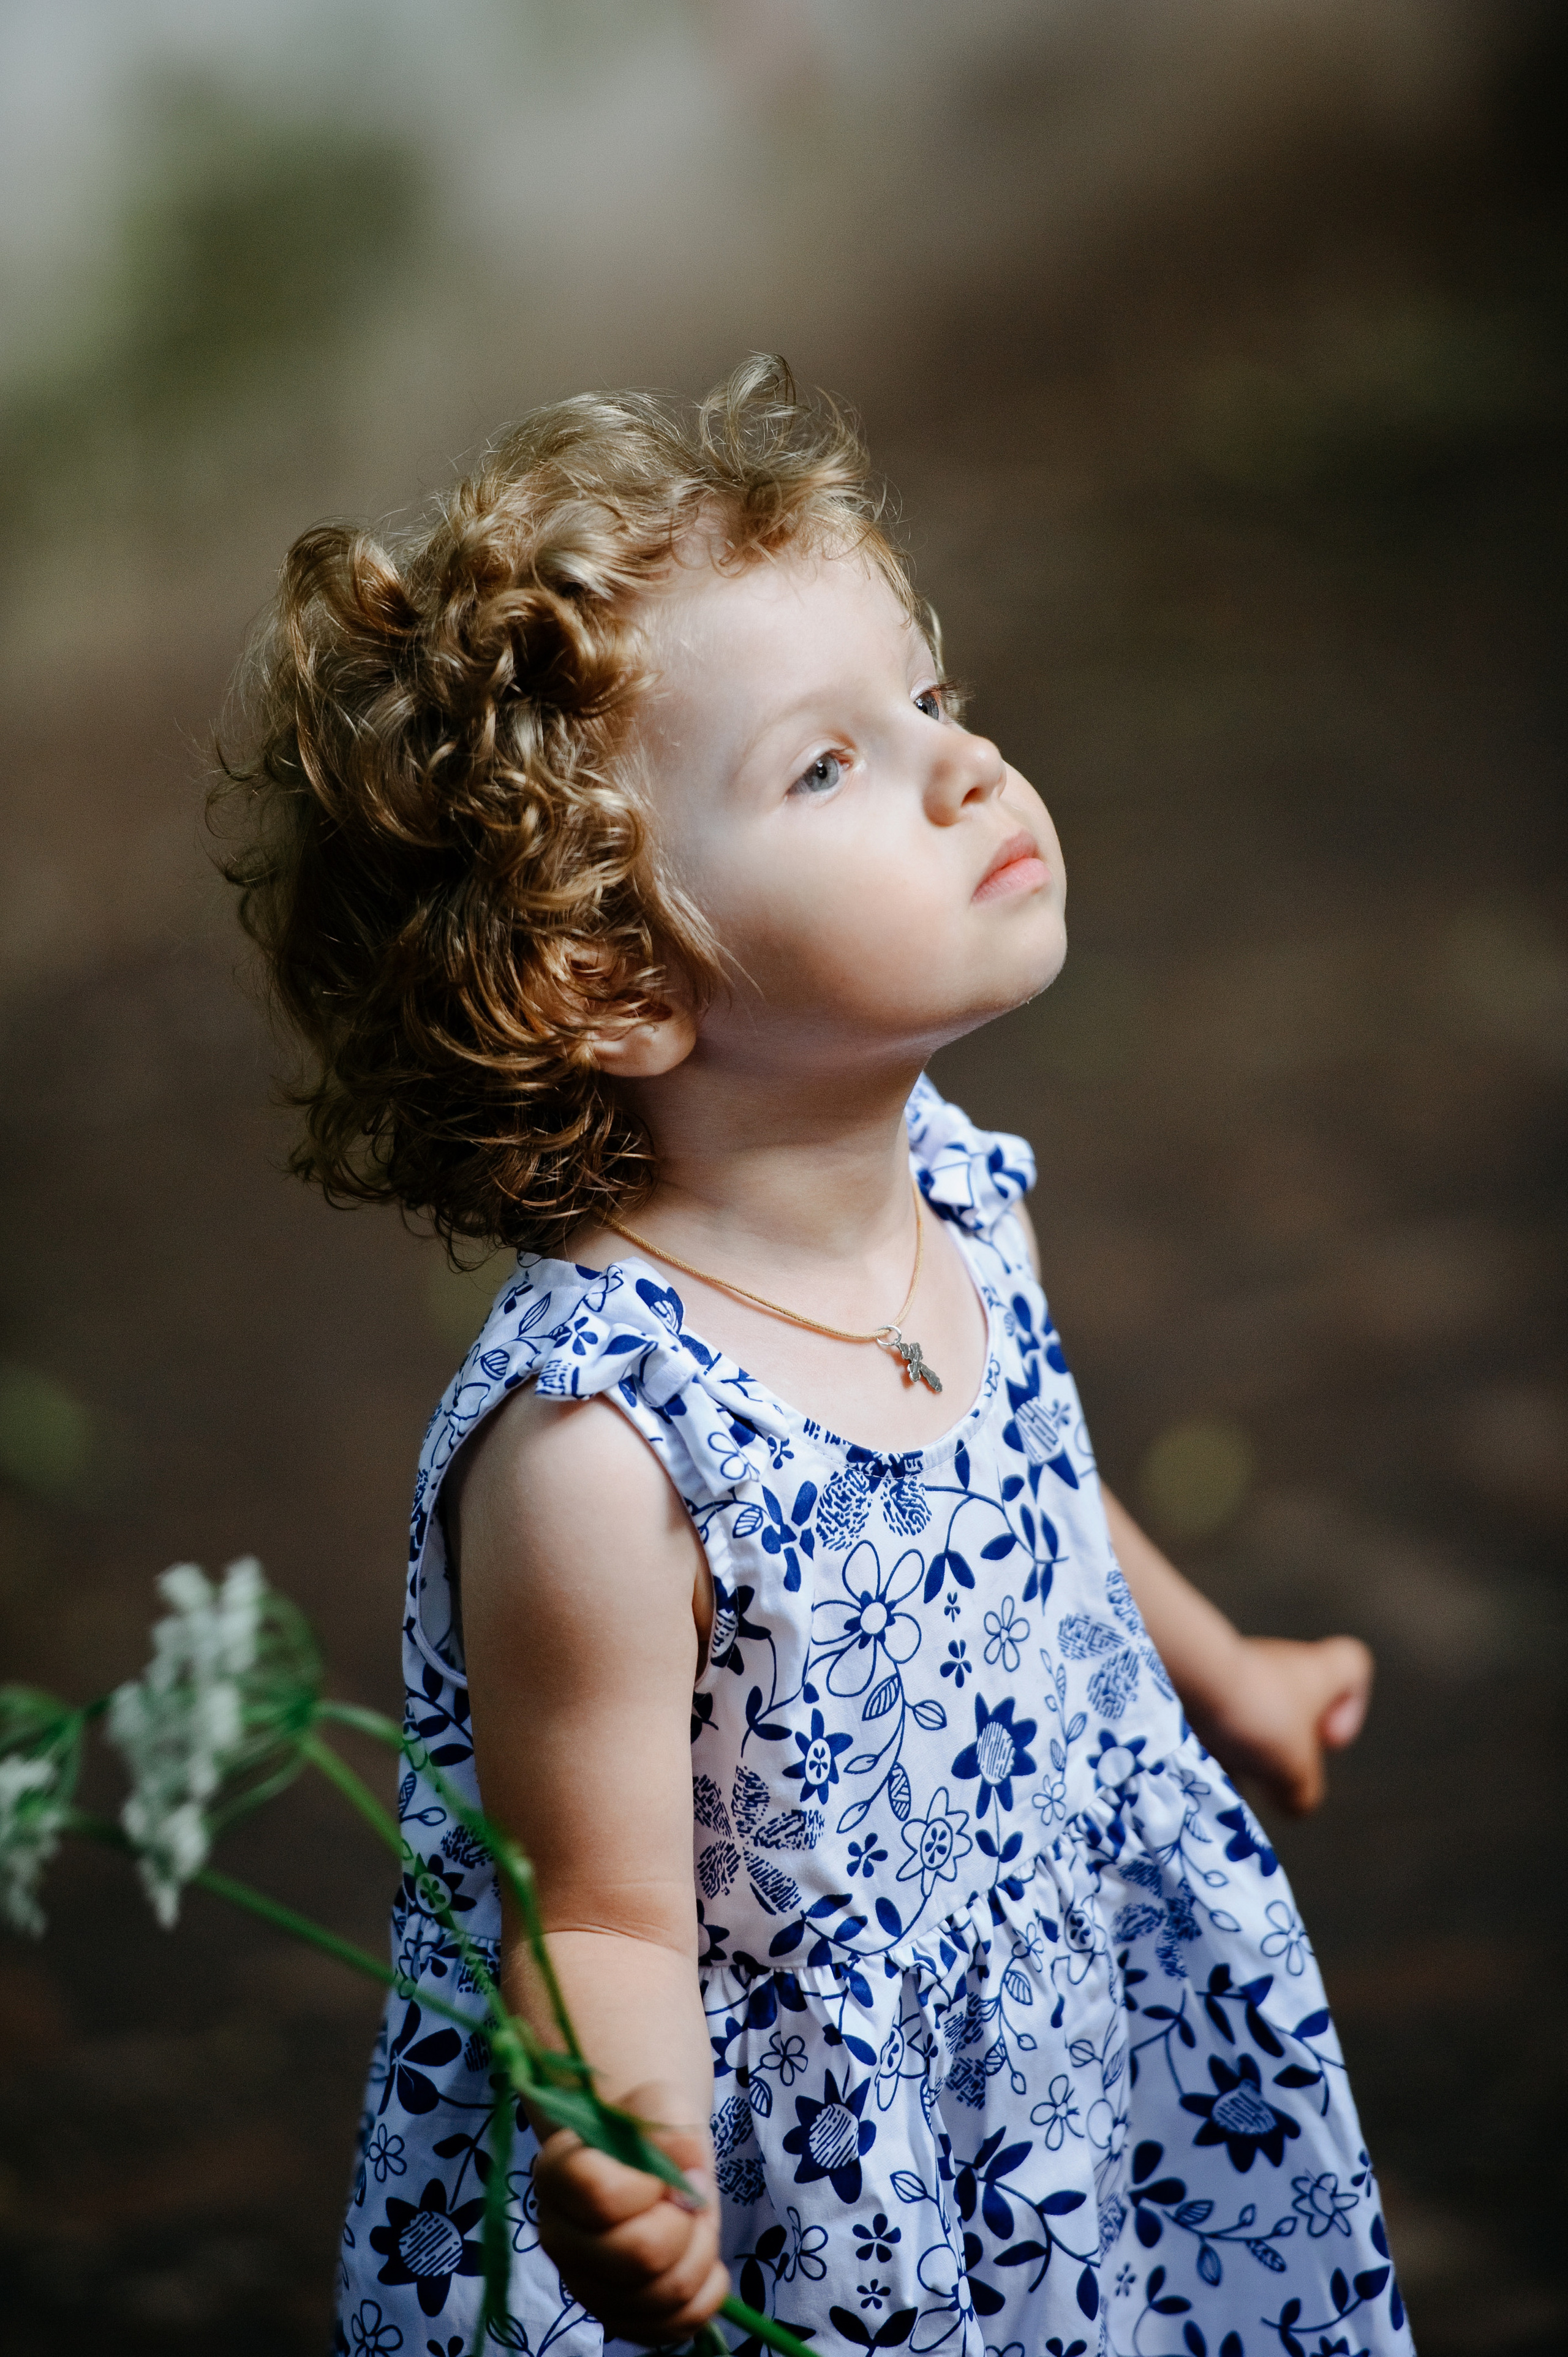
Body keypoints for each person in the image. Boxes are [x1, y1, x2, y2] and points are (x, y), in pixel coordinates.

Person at [222, 357, 1409, 2357]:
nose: (968, 768)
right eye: (826, 766)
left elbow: (1035, 1500)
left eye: (928, 704)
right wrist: (634, 2139)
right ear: (607, 969)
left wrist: (1224, 1672)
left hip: (1061, 2050)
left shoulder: (960, 1197)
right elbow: (591, 1905)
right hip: (830, 2165)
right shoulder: (605, 1449)